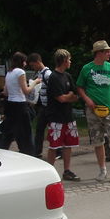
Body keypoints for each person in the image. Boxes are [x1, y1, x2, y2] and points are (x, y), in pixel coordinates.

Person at [77, 40, 110, 182]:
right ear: (99, 53)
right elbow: (80, 87)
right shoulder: (87, 68)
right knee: (97, 141)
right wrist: (87, 99)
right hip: (93, 111)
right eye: (107, 51)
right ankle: (102, 170)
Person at [45, 49, 81, 181]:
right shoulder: (54, 77)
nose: (70, 62)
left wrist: (69, 97)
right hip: (56, 117)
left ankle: (67, 170)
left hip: (68, 116)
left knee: (68, 145)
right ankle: (49, 172)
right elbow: (60, 98)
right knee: (54, 146)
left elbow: (75, 96)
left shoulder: (68, 76)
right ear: (64, 61)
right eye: (69, 59)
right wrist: (68, 96)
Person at [0, 52, 40, 155]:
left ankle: (1, 149)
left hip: (10, 104)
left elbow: (5, 92)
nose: (26, 64)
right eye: (25, 62)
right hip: (20, 104)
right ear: (22, 62)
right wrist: (35, 82)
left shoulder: (9, 73)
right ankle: (28, 152)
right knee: (26, 131)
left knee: (9, 131)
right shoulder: (20, 72)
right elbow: (26, 91)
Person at [27, 53, 53, 158]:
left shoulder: (47, 74)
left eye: (33, 65)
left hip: (49, 106)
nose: (33, 68)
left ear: (38, 62)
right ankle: (37, 151)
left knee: (52, 129)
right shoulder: (39, 74)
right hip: (43, 106)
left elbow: (52, 89)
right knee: (39, 129)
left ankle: (58, 151)